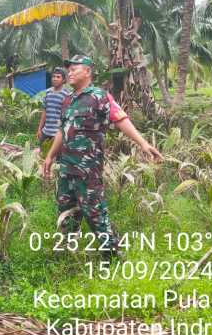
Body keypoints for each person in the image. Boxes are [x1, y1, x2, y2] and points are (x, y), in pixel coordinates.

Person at [43, 55, 162, 257]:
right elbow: (62, 131)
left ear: (88, 71)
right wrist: (50, 156)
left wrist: (143, 144)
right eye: (68, 70)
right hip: (66, 168)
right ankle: (66, 253)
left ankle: (113, 253)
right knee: (66, 210)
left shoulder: (99, 96)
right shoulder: (68, 100)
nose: (69, 72)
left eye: (74, 69)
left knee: (94, 213)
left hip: (88, 170)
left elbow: (120, 118)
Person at [37, 67, 70, 156]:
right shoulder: (47, 92)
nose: (55, 79)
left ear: (63, 80)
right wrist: (40, 129)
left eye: (58, 77)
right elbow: (44, 111)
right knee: (42, 155)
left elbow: (66, 116)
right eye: (53, 76)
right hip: (46, 131)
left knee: (56, 158)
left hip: (57, 133)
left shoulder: (66, 94)